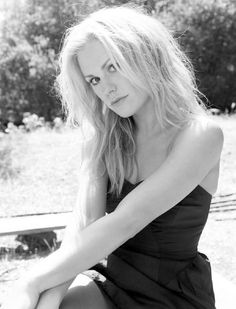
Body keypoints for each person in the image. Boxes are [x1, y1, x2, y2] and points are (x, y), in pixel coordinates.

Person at [3, 5, 223, 309]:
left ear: (145, 55)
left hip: (174, 295)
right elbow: (84, 225)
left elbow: (125, 222)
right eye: (93, 79)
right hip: (110, 282)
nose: (105, 87)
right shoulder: (102, 139)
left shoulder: (201, 135)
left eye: (113, 66)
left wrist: (32, 281)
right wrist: (47, 297)